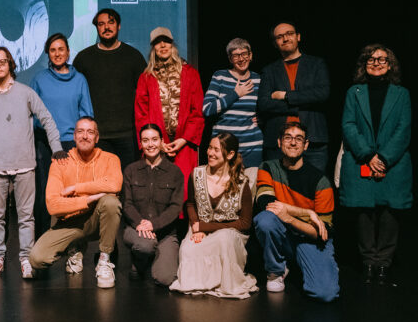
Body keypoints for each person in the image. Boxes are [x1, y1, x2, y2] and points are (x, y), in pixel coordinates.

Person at [0, 47, 65, 280]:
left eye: (2, 61)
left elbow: (47, 119)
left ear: (10, 63)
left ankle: (26, 257)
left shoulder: (25, 93)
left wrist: (57, 149)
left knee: (26, 216)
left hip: (24, 165)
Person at [339, 45, 412, 285]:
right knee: (364, 212)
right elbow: (348, 125)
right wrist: (369, 155)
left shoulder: (401, 94)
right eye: (371, 59)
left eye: (382, 59)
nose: (376, 62)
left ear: (390, 65)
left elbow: (403, 129)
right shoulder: (354, 92)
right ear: (364, 64)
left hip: (394, 163)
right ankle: (368, 261)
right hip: (362, 160)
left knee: (390, 213)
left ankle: (384, 263)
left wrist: (384, 158)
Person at [29, 117, 123, 288]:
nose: (85, 136)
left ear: (97, 137)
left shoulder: (111, 159)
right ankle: (75, 247)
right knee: (37, 259)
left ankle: (104, 260)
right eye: (80, 131)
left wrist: (75, 188)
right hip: (69, 223)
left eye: (90, 132)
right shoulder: (61, 162)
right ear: (74, 136)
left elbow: (114, 185)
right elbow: (53, 205)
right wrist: (91, 197)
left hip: (96, 220)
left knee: (110, 202)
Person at [253, 122, 339, 302]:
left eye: (299, 139)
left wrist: (290, 218)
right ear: (279, 142)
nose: (293, 143)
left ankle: (318, 265)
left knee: (326, 293)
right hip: (283, 236)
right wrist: (308, 213)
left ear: (306, 145)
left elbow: (324, 232)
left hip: (309, 240)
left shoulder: (320, 181)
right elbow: (265, 202)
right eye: (288, 138)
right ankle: (276, 270)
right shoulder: (268, 167)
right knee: (265, 220)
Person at [170, 133, 258, 298]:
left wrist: (206, 227)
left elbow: (245, 223)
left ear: (230, 154)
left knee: (224, 238)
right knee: (188, 250)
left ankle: (226, 281)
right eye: (210, 148)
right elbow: (190, 204)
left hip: (231, 232)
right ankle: (206, 281)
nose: (210, 153)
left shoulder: (241, 182)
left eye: (216, 149)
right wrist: (197, 228)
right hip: (201, 227)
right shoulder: (197, 174)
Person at [30, 33, 94, 237]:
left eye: (61, 49)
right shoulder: (39, 79)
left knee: (74, 195)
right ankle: (41, 242)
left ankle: (73, 246)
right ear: (48, 54)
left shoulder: (80, 79)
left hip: (72, 144)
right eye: (53, 50)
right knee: (43, 195)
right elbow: (31, 113)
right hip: (45, 143)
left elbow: (87, 113)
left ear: (68, 52)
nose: (57, 53)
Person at [134, 27, 204, 207]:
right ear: (153, 48)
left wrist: (183, 139)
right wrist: (156, 143)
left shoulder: (190, 73)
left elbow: (197, 112)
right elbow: (141, 114)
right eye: (158, 42)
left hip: (183, 143)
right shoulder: (147, 77)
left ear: (172, 45)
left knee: (186, 189)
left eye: (166, 41)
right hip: (157, 145)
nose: (162, 45)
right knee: (158, 190)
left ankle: (188, 230)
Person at [73, 8, 146, 169]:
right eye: (101, 24)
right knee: (99, 186)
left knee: (128, 185)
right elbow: (74, 96)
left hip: (128, 135)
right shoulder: (83, 59)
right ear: (97, 28)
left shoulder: (134, 57)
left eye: (111, 22)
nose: (106, 27)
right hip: (97, 136)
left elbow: (145, 95)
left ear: (118, 26)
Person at [258, 22, 329, 172]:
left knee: (313, 190)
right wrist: (298, 105)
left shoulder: (317, 64)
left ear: (298, 37)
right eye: (279, 36)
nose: (285, 38)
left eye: (289, 34)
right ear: (275, 43)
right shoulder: (269, 71)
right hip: (277, 142)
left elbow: (322, 94)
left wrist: (285, 95)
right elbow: (264, 104)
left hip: (313, 141)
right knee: (278, 191)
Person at [121, 124, 182, 286]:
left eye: (155, 140)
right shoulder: (131, 170)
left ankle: (155, 260)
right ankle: (139, 264)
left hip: (165, 233)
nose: (150, 144)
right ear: (140, 144)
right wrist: (141, 224)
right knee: (145, 245)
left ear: (162, 142)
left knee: (165, 279)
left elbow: (175, 207)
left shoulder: (174, 172)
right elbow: (127, 204)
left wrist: (153, 224)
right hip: (136, 229)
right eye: (145, 140)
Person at [202, 38, 263, 179]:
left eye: (244, 54)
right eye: (236, 55)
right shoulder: (220, 76)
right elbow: (207, 108)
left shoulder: (258, 80)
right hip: (223, 148)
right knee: (224, 193)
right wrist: (235, 94)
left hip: (251, 146)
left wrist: (262, 118)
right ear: (230, 59)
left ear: (251, 55)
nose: (241, 59)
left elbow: (265, 106)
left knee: (250, 193)